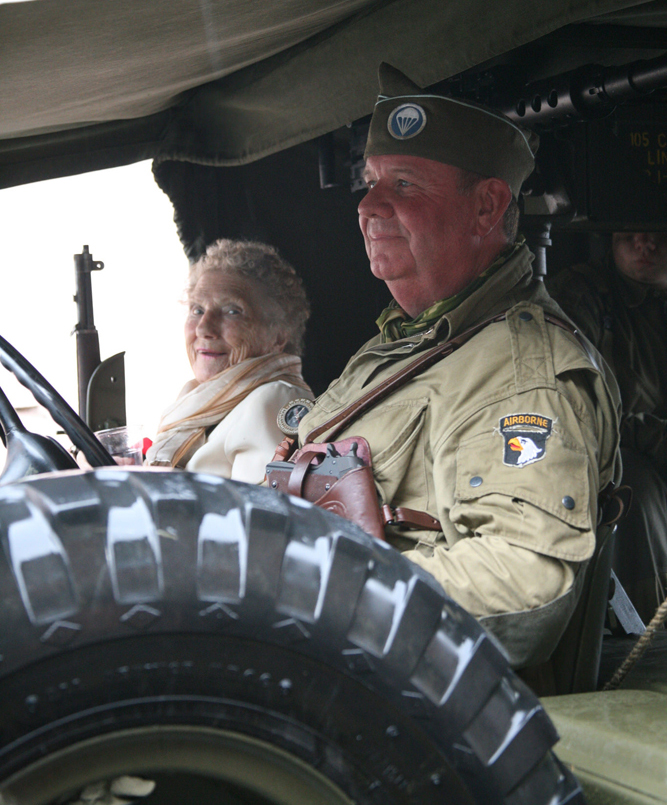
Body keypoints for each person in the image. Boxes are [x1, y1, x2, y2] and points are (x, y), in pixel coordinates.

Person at [293, 63, 621, 669]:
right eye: (370, 182)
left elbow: (524, 582)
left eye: (405, 185)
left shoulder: (522, 372)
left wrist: (310, 598)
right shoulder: (404, 342)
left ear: (487, 207)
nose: (368, 205)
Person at [548, 231, 667, 622]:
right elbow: (577, 413)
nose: (645, 243)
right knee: (635, 489)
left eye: (657, 233)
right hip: (619, 454)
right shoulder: (584, 295)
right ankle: (652, 633)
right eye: (630, 232)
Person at [146, 239, 312, 482]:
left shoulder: (275, 399)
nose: (204, 328)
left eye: (232, 311)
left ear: (278, 336)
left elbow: (254, 514)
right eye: (197, 310)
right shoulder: (200, 398)